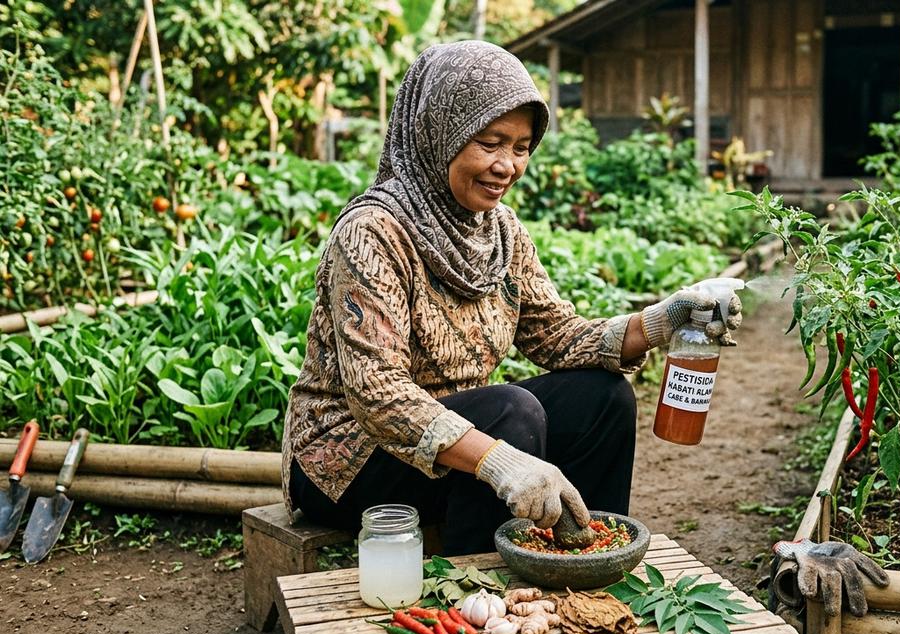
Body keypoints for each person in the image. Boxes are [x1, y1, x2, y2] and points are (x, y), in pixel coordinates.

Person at [280, 40, 742, 556]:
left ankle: (585, 558)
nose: (507, 165)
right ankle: (480, 591)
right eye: (490, 142)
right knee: (510, 412)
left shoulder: (499, 231)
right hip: (352, 463)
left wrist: (663, 320)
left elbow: (557, 336)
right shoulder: (372, 233)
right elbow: (379, 396)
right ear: (438, 134)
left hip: (459, 442)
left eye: (521, 147)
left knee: (602, 399)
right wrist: (499, 460)